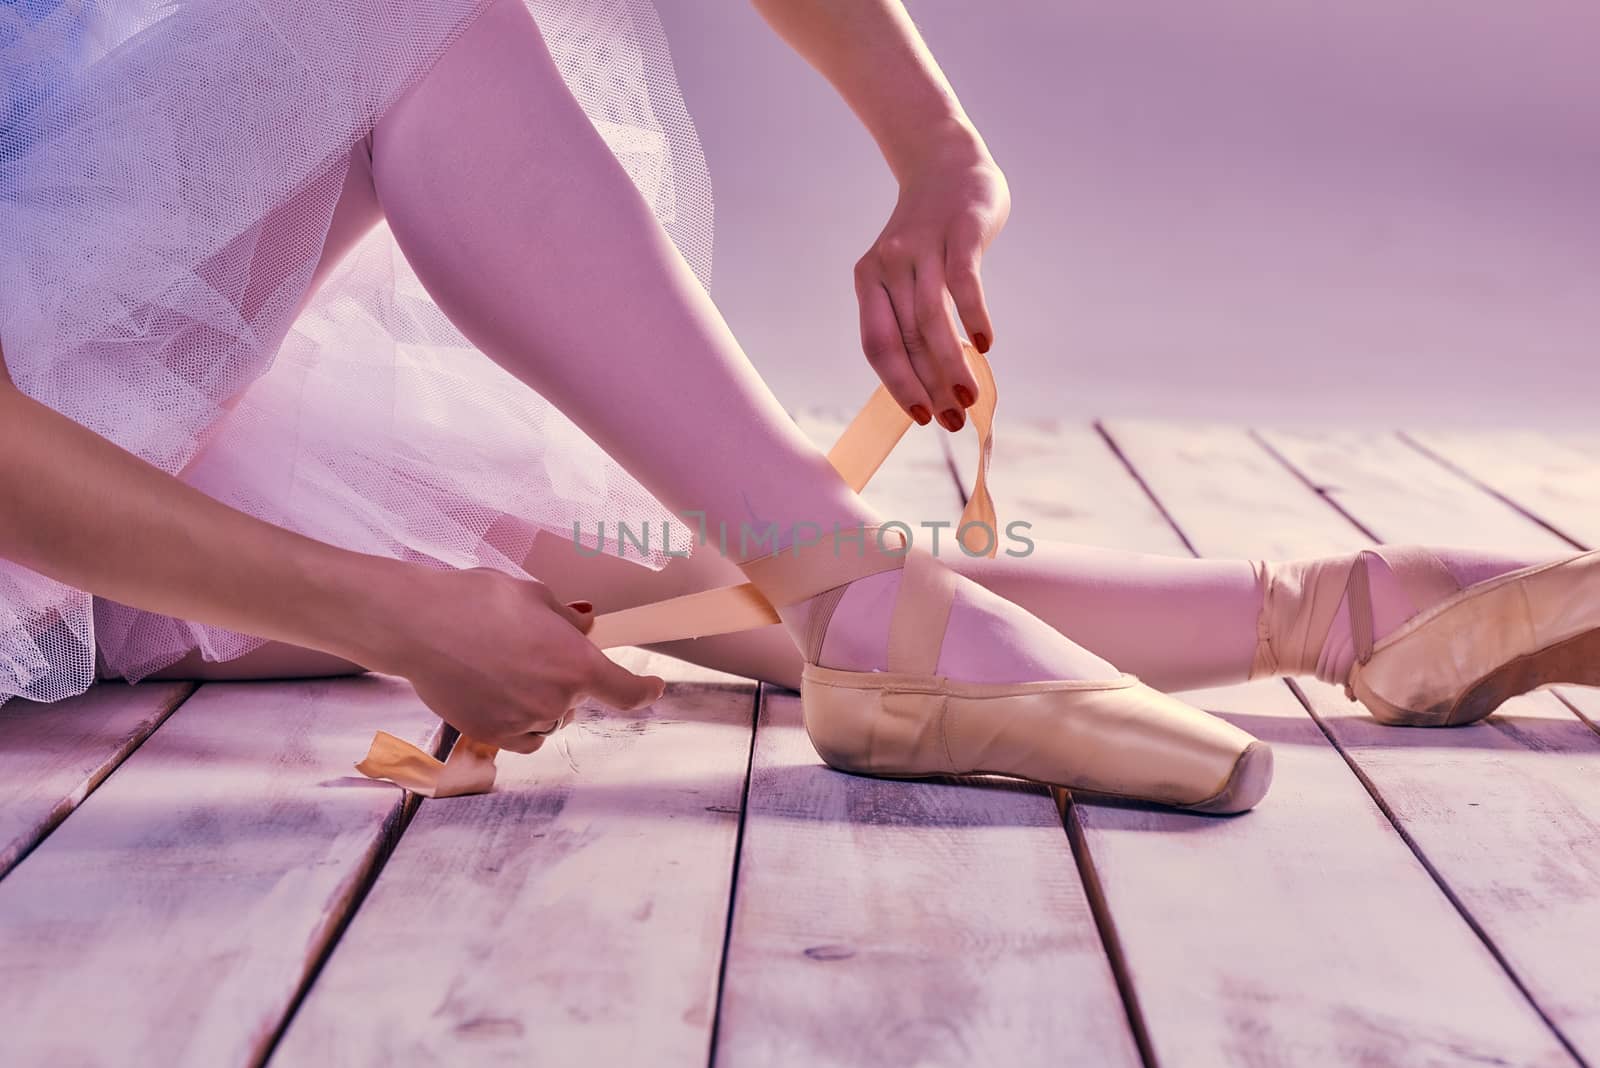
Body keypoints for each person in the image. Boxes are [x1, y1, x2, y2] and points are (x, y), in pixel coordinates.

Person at [1, 0, 1592, 814]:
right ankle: (871, 606)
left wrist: (938, 148)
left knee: (682, 570)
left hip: (73, 361)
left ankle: (1342, 615)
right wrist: (387, 605)